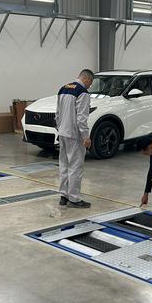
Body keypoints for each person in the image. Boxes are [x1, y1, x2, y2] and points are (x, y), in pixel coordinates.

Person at [56, 69, 94, 208]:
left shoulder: (63, 88)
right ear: (87, 79)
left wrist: (60, 128)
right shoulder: (82, 92)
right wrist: (86, 137)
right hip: (74, 135)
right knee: (75, 167)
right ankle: (74, 199)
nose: (90, 86)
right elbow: (81, 118)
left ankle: (64, 196)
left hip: (62, 132)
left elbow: (57, 113)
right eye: (90, 83)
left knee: (64, 165)